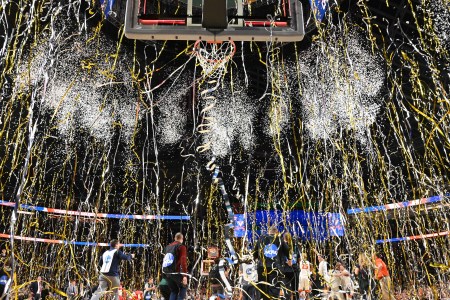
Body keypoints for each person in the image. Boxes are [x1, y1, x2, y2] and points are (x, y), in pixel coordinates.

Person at [253, 225, 290, 300]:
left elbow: (255, 252)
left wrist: (257, 258)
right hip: (275, 267)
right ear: (276, 232)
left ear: (268, 232)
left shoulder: (261, 238)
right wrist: (289, 259)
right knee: (274, 290)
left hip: (262, 268)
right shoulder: (279, 239)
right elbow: (287, 251)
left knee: (263, 290)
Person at [162, 233, 188, 300]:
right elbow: (183, 261)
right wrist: (185, 275)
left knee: (174, 291)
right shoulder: (181, 247)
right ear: (182, 239)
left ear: (175, 238)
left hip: (166, 273)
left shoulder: (167, 247)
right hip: (175, 272)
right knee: (184, 286)